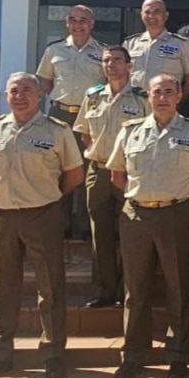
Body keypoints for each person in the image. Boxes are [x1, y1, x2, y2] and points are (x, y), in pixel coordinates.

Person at [0, 72, 83, 378]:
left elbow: (73, 175)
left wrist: (44, 194)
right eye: (14, 91)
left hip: (42, 215)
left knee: (50, 287)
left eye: (27, 90)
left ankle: (54, 352)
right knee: (3, 286)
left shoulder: (57, 130)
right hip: (1, 215)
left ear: (40, 95)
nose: (20, 96)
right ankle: (0, 354)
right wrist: (6, 195)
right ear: (6, 96)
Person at [106, 74, 189, 378]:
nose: (163, 97)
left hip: (177, 215)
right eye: (158, 92)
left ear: (180, 95)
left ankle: (178, 354)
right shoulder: (130, 132)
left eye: (170, 91)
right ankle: (133, 355)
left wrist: (183, 204)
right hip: (137, 217)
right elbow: (117, 176)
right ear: (149, 96)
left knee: (178, 287)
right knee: (135, 290)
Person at [72, 46, 150, 309]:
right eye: (106, 61)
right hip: (99, 170)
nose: (111, 65)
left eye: (117, 60)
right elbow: (85, 134)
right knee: (101, 232)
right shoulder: (93, 97)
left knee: (131, 231)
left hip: (131, 172)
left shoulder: (143, 98)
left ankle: (128, 290)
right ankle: (106, 289)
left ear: (130, 66)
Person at [35, 4, 106, 238]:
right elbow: (45, 82)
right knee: (60, 169)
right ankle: (61, 224)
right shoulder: (54, 50)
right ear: (67, 23)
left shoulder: (103, 52)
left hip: (89, 118)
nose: (78, 24)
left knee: (88, 171)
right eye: (73, 20)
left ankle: (84, 227)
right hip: (61, 115)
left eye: (83, 20)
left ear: (92, 23)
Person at [123, 0, 189, 99]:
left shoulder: (181, 44)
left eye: (156, 11)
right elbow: (121, 76)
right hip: (134, 106)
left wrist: (176, 104)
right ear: (141, 15)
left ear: (166, 15)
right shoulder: (129, 44)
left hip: (165, 105)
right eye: (147, 12)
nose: (151, 16)